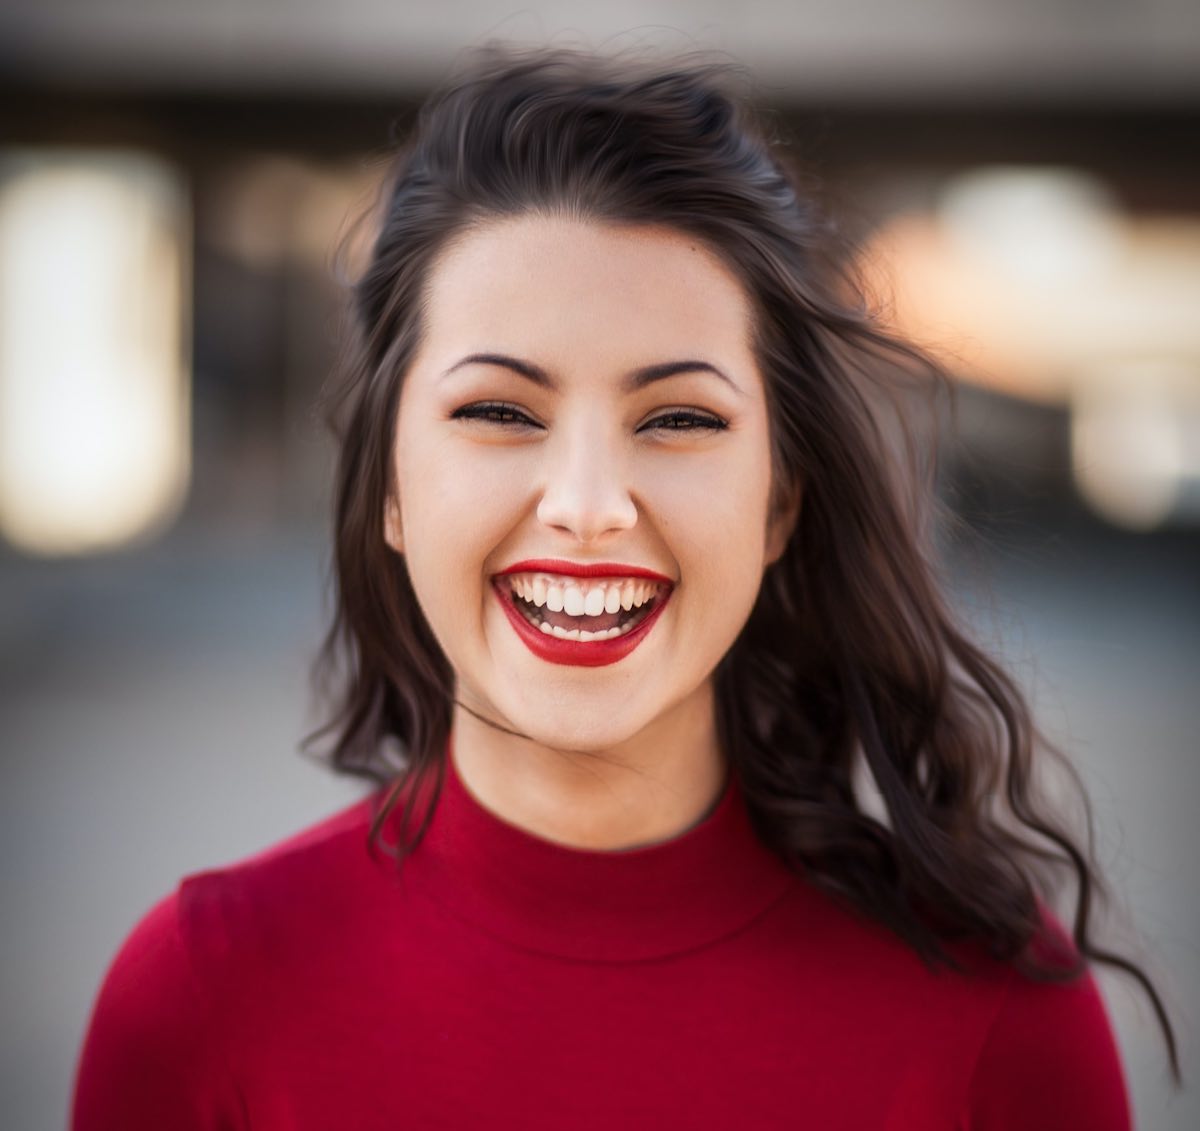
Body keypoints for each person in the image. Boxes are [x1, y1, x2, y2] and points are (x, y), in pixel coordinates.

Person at [71, 45, 1177, 1129]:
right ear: (390, 491)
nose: (589, 505)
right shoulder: (202, 998)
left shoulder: (996, 1010)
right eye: (500, 412)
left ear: (781, 501)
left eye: (681, 420)